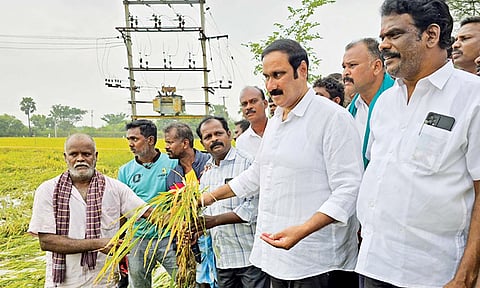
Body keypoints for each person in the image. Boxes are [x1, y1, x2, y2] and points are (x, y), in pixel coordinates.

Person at [200, 39, 364, 287]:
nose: (271, 86)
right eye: (267, 77)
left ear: (302, 70)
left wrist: (303, 230)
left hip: (316, 260)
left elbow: (349, 189)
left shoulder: (332, 118)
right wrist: (207, 198)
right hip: (276, 254)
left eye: (278, 75)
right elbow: (257, 174)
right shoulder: (277, 119)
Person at [355, 1, 480, 287]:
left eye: (395, 35)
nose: (384, 45)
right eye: (382, 37)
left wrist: (466, 275)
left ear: (431, 35)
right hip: (373, 265)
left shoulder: (472, 97)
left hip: (433, 274)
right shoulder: (385, 102)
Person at [28, 133, 149, 287]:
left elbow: (148, 213)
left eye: (86, 154)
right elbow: (47, 241)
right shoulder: (48, 190)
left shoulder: (115, 189)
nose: (80, 159)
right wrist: (98, 244)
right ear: (65, 157)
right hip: (64, 281)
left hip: (104, 280)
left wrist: (183, 224)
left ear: (95, 156)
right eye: (74, 154)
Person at [196, 116, 268, 288]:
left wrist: (214, 221)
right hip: (222, 258)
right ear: (202, 143)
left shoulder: (249, 163)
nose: (214, 139)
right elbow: (205, 210)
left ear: (228, 134)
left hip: (250, 257)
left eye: (218, 133)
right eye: (208, 137)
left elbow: (255, 206)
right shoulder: (207, 171)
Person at [118, 119, 178, 288]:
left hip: (168, 237)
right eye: (128, 139)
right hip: (139, 238)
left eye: (135, 139)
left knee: (184, 279)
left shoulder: (172, 163)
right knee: (138, 284)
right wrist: (120, 239)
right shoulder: (125, 171)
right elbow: (122, 208)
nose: (130, 144)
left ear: (150, 140)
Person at [163, 122, 215, 288]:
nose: (166, 147)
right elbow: (173, 212)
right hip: (195, 243)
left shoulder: (210, 163)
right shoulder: (173, 177)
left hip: (218, 236)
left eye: (170, 142)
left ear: (185, 143)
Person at [342, 38, 394, 167]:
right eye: (344, 67)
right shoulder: (351, 110)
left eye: (352, 65)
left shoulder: (399, 102)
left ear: (376, 67)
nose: (345, 73)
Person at [236, 86, 269, 157]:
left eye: (253, 101)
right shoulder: (241, 142)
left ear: (265, 104)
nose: (248, 107)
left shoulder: (280, 129)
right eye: (244, 104)